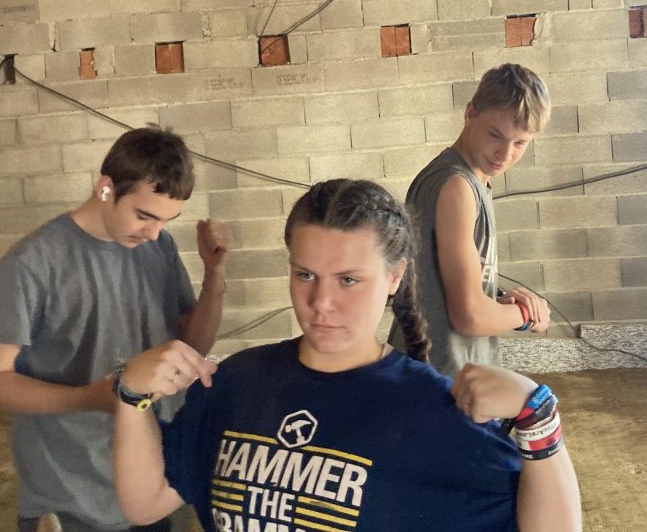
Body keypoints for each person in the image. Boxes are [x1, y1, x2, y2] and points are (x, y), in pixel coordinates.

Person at [113, 178, 582, 532]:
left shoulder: (435, 414)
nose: (322, 303)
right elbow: (147, 502)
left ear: (394, 278)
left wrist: (537, 415)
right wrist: (131, 396)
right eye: (305, 275)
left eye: (349, 280)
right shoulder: (237, 384)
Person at [0, 125, 232, 532]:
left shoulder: (158, 246)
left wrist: (214, 276)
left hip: (153, 479)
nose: (154, 232)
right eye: (144, 216)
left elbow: (190, 346)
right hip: (72, 491)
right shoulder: (32, 263)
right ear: (106, 188)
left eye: (166, 221)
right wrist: (91, 397)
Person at [390, 63, 553, 376]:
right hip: (442, 376)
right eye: (495, 135)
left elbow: (442, 287)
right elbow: (469, 316)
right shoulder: (456, 186)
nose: (505, 153)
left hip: (449, 371)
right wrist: (529, 315)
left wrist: (499, 300)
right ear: (470, 113)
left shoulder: (470, 181)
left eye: (520, 143)